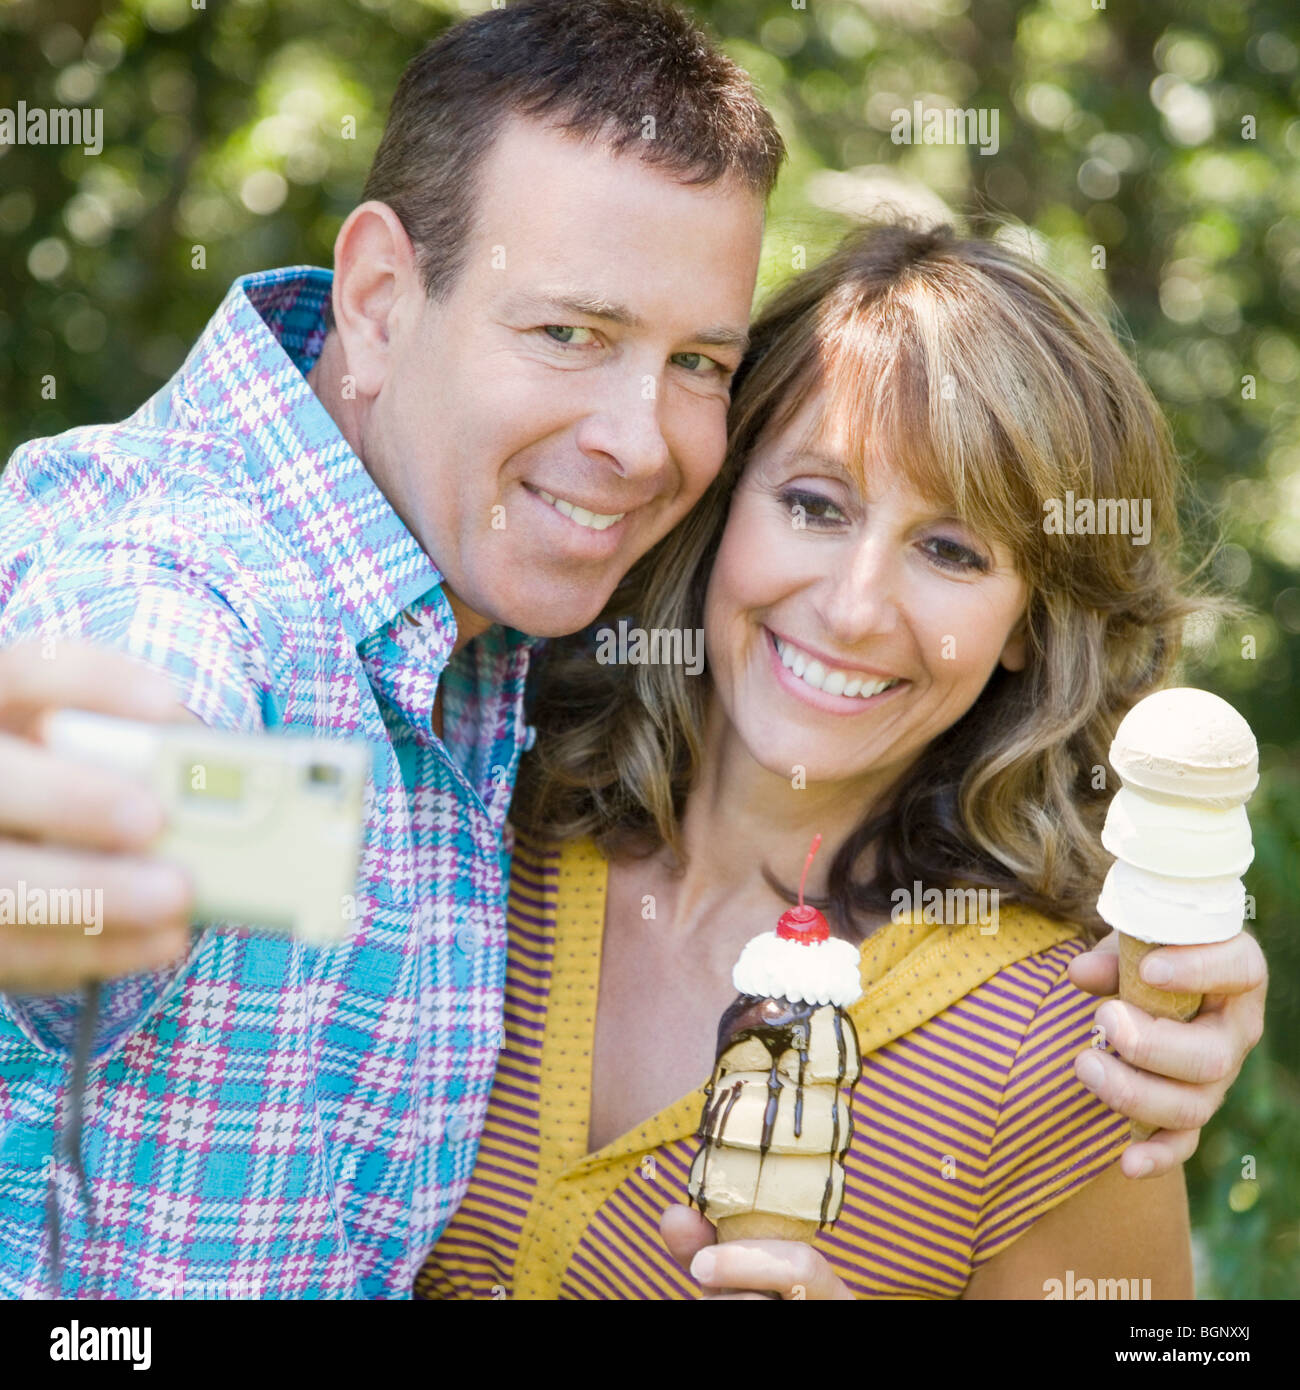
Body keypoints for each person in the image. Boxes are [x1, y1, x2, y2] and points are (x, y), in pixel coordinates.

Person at [0, 0, 777, 1298]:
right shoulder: (192, 592)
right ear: (376, 299)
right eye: (569, 334)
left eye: (698, 360)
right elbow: (109, 789)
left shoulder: (493, 627)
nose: (642, 442)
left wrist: (1136, 987)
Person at [415, 222, 1268, 1300]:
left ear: (1025, 624)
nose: (854, 606)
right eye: (813, 505)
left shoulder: (1060, 1054)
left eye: (950, 551)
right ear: (724, 502)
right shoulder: (471, 807)